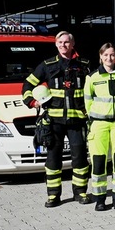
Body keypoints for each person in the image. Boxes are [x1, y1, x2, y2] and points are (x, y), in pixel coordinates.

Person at [21, 30, 92, 208]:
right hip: (54, 122)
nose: (63, 45)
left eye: (66, 42)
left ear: (73, 44)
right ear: (56, 44)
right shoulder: (47, 65)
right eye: (60, 42)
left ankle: (80, 192)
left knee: (80, 159)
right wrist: (32, 102)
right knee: (53, 159)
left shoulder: (84, 65)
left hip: (77, 122)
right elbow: (28, 84)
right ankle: (53, 195)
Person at [85, 43, 115, 211]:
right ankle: (100, 199)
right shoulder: (92, 77)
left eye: (112, 55)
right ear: (100, 57)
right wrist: (98, 114)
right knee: (98, 162)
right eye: (106, 55)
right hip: (99, 124)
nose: (109, 58)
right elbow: (88, 101)